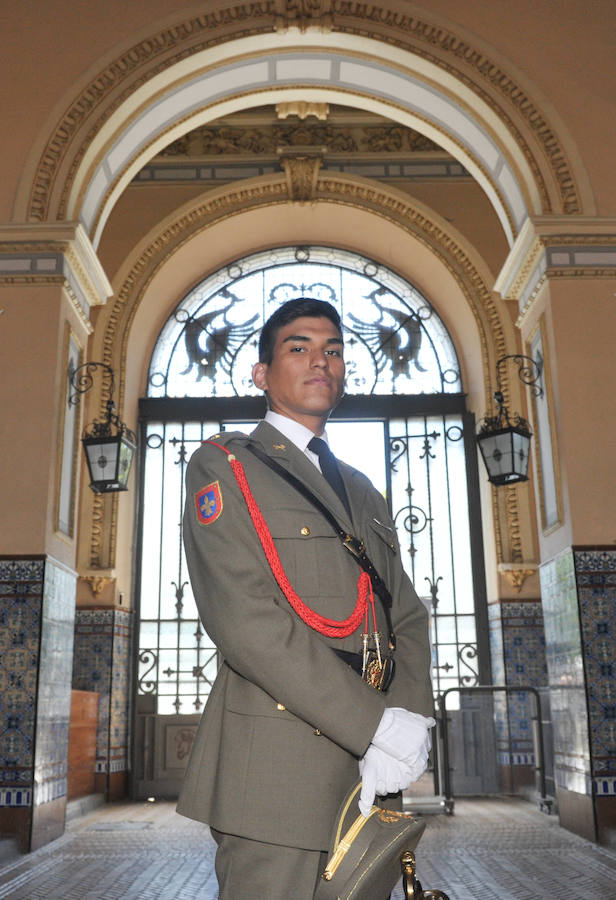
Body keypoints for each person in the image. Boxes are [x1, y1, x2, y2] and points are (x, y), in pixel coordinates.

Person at [177, 298, 434, 899]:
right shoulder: (225, 467)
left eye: (333, 350)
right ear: (261, 374)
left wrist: (409, 720)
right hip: (275, 771)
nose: (321, 361)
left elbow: (404, 613)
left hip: (370, 773)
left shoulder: (362, 490)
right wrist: (375, 724)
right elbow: (245, 621)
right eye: (299, 348)